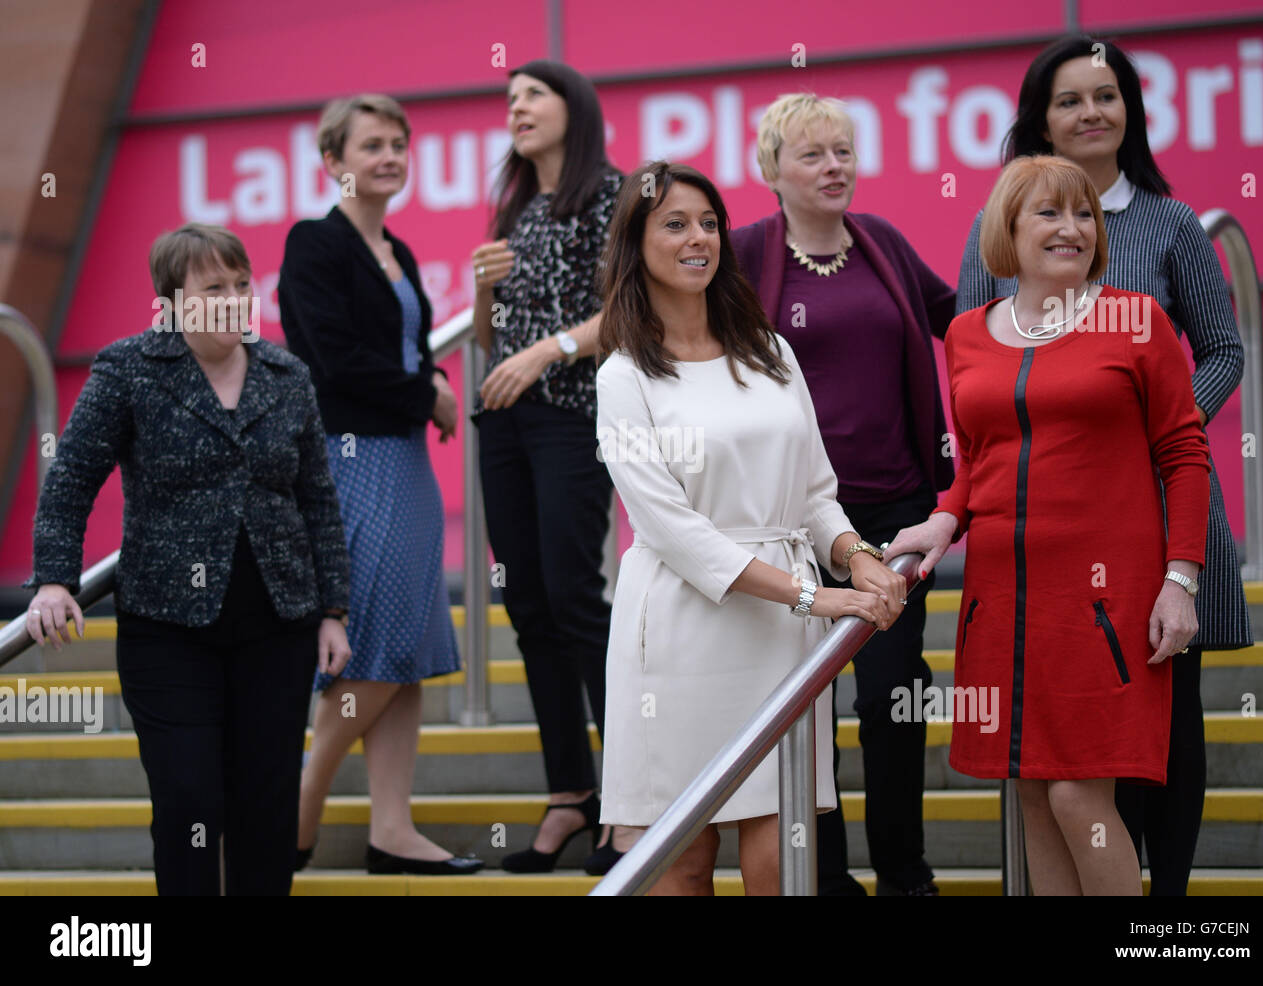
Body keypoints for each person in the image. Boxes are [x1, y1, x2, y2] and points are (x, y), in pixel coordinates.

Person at [955, 36, 1252, 895]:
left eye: (1108, 95)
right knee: (1053, 775)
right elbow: (987, 378)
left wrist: (1150, 427)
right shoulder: (1001, 226)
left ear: (1131, 111)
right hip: (1035, 544)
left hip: (1159, 519)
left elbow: (1223, 350)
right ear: (1038, 119)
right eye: (1070, 99)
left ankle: (1165, 913)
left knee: (1162, 733)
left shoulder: (1170, 224)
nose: (1091, 112)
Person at [888, 155, 1210, 895]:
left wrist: (1180, 579)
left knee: (1076, 793)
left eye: (1085, 215)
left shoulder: (1138, 320)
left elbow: (1184, 454)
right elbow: (980, 458)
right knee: (1032, 791)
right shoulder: (968, 334)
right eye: (1049, 213)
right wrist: (945, 519)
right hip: (1001, 598)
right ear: (1007, 229)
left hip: (1104, 600)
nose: (1072, 229)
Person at [596, 161, 906, 895]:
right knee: (685, 863)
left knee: (781, 864)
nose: (698, 237)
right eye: (675, 224)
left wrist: (857, 558)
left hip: (777, 643)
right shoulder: (622, 375)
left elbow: (814, 494)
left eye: (709, 222)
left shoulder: (771, 352)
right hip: (678, 634)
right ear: (636, 244)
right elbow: (671, 531)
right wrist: (813, 596)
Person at [25, 223, 351, 895]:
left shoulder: (286, 375)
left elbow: (318, 499)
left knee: (264, 810)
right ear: (172, 301)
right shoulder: (128, 369)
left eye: (241, 283)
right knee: (191, 804)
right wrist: (55, 579)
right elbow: (71, 480)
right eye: (213, 287)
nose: (234, 298)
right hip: (168, 632)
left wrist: (334, 611)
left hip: (279, 626)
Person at [729, 93, 955, 896]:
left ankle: (902, 865)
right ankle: (823, 872)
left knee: (894, 691)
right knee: (807, 701)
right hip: (792, 522)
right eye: (813, 154)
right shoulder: (744, 253)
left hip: (894, 517)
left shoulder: (882, 243)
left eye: (844, 152)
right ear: (772, 171)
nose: (834, 167)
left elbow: (963, 321)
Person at [278, 94, 479, 875]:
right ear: (335, 162)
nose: (389, 156)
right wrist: (426, 391)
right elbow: (330, 361)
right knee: (375, 648)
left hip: (406, 461)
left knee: (413, 649)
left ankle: (392, 830)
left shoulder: (394, 247)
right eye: (372, 146)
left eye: (399, 144)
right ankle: (300, 801)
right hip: (351, 458)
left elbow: (401, 350)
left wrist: (423, 382)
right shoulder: (314, 245)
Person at [468, 60, 623, 874]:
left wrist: (549, 350)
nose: (516, 108)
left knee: (572, 595)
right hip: (506, 419)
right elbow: (493, 342)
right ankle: (571, 793)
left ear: (575, 105)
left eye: (533, 94)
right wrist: (484, 290)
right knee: (526, 602)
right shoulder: (517, 205)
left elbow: (631, 303)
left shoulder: (616, 193)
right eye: (510, 98)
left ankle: (627, 798)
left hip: (576, 413)